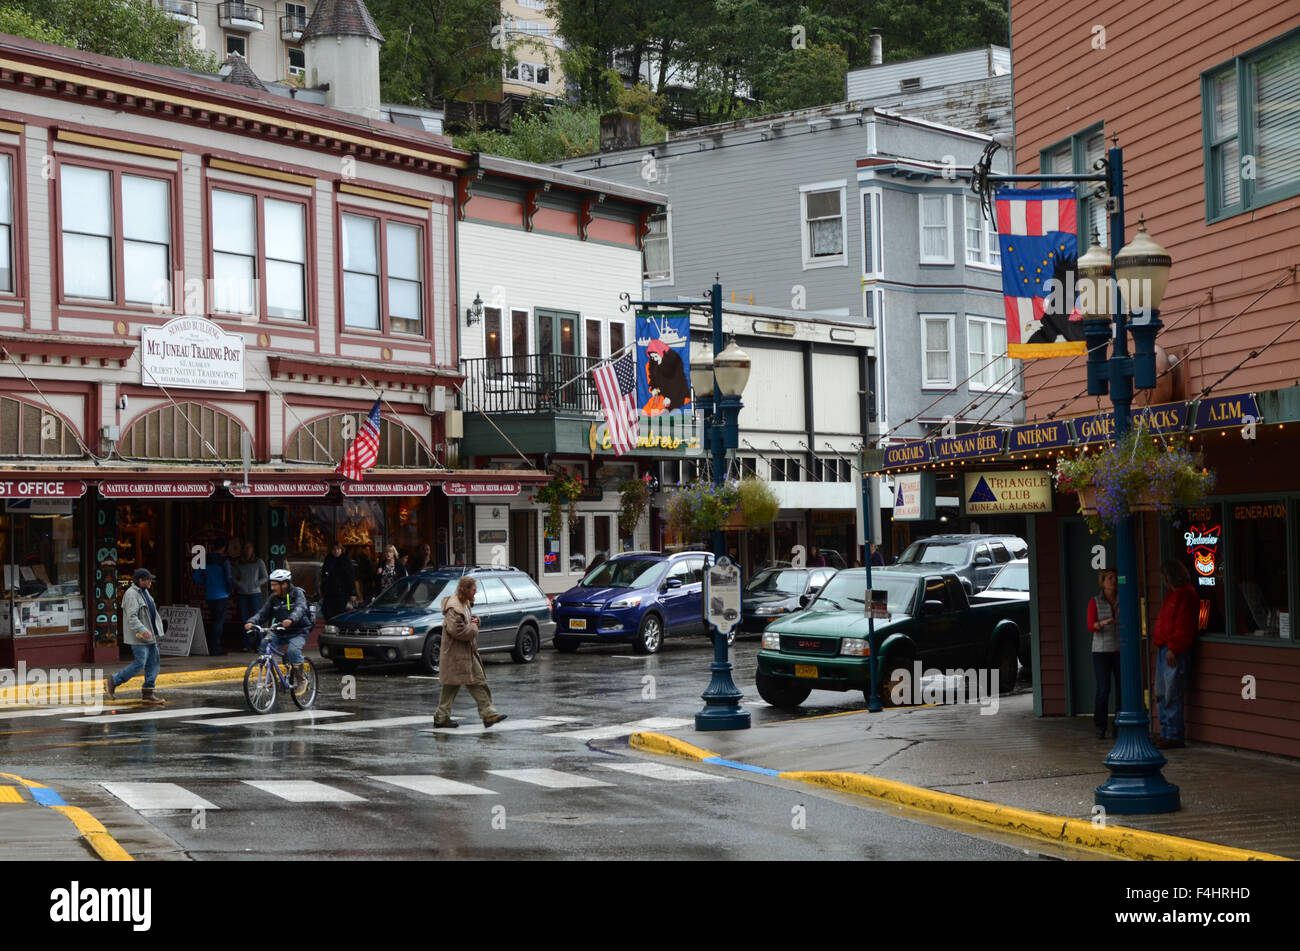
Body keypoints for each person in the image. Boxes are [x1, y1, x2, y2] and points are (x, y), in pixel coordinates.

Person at [433, 576, 507, 729]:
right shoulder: (454, 607)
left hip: (465, 653)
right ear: (465, 589)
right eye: (474, 589)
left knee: (464, 682)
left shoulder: (464, 602)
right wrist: (474, 628)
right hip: (457, 654)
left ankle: (443, 717)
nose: (476, 592)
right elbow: (457, 631)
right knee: (470, 682)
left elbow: (466, 623)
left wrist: (475, 621)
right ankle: (487, 714)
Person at [1153, 559, 1197, 750]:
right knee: (1162, 692)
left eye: (1164, 576)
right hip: (1164, 648)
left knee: (1172, 692)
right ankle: (1165, 731)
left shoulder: (1185, 595)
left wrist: (1174, 647)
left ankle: (1174, 734)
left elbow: (1184, 626)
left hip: (1173, 650)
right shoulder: (1171, 595)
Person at [104, 569, 165, 705]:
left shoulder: (144, 592)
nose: (150, 582)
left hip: (149, 635)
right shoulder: (132, 595)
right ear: (141, 580)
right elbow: (132, 617)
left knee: (153, 662)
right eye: (148, 579)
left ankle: (148, 692)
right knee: (140, 662)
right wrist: (143, 630)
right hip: (139, 635)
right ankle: (113, 681)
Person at [245, 568, 312, 688]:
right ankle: (270, 676)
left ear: (285, 584)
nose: (272, 588)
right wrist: (252, 621)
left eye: (275, 585)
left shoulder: (297, 593)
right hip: (281, 630)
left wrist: (291, 619)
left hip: (299, 630)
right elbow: (263, 613)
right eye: (271, 585)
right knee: (264, 644)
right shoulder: (273, 598)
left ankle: (301, 680)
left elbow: (300, 608)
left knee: (293, 651)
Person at [1087, 569, 1121, 740]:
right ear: (1102, 581)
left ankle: (1119, 724)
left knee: (1122, 689)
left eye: (1115, 578)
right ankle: (1100, 725)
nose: (1113, 581)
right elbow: (1090, 625)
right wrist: (1103, 622)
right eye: (1109, 578)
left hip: (1119, 650)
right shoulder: (1095, 601)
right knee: (1104, 689)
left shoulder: (1123, 599)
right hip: (1101, 651)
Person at [193, 534, 234, 656]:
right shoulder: (224, 561)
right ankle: (216, 648)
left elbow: (195, 576)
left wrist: (206, 582)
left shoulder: (206, 559)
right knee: (218, 622)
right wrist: (229, 590)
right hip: (222, 595)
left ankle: (213, 646)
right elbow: (228, 577)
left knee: (213, 621)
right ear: (223, 547)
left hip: (210, 594)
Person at [233, 542, 269, 651]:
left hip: (255, 594)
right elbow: (233, 577)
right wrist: (240, 585)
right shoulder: (239, 563)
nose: (247, 550)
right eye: (246, 548)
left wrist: (256, 584)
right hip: (242, 594)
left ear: (253, 550)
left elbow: (265, 577)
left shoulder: (259, 562)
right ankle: (246, 645)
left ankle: (259, 644)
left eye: (249, 548)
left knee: (257, 620)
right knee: (245, 619)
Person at [644, 339, 690, 414]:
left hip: (677, 395)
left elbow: (677, 383)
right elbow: (652, 379)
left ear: (661, 352)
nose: (654, 359)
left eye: (656, 356)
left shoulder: (674, 360)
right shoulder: (653, 364)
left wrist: (670, 397)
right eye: (652, 358)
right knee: (648, 411)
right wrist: (653, 388)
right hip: (661, 395)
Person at [320, 542, 358, 620]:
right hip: (329, 591)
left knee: (339, 612)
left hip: (342, 592)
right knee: (327, 612)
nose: (336, 551)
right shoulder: (328, 559)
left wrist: (353, 593)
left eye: (338, 549)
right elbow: (324, 575)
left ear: (341, 550)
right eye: (334, 549)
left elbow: (351, 577)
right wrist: (323, 589)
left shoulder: (345, 561)